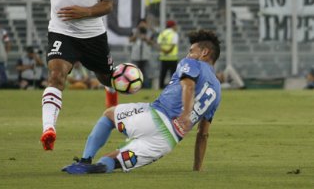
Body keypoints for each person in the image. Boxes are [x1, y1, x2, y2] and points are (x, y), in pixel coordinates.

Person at [62, 29, 221, 174]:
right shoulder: (217, 91)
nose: (188, 55)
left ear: (204, 52)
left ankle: (84, 160)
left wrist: (186, 114)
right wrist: (197, 169)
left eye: (191, 51)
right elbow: (203, 134)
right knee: (115, 159)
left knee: (110, 115)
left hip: (155, 116)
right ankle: (97, 167)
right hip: (166, 142)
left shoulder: (192, 63)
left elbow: (188, 85)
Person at [23, 0, 118, 151]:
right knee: (55, 76)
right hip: (61, 30)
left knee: (107, 78)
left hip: (93, 35)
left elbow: (107, 5)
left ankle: (111, 95)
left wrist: (84, 12)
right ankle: (48, 129)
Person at [129, 19, 155, 88]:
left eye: (144, 23)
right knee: (135, 73)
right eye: (141, 23)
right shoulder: (134, 31)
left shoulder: (149, 32)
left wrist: (146, 38)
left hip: (146, 56)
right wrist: (137, 33)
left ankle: (147, 88)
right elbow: (130, 40)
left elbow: (153, 43)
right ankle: (135, 87)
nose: (142, 25)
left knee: (146, 74)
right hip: (135, 56)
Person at [157, 20, 179, 89]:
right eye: (175, 25)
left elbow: (159, 44)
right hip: (172, 58)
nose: (176, 27)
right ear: (172, 26)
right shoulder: (174, 34)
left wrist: (164, 51)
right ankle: (173, 88)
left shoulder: (162, 33)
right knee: (173, 75)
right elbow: (173, 45)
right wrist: (168, 51)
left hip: (163, 57)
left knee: (162, 74)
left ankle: (160, 87)